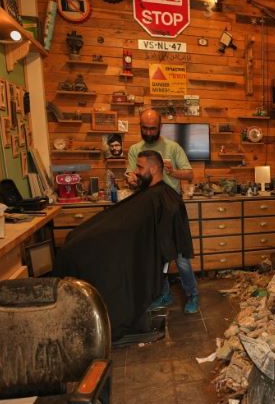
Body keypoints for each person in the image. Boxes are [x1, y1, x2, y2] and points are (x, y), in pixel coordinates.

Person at [55, 150, 194, 341]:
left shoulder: (163, 197)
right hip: (125, 236)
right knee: (78, 238)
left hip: (127, 241)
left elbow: (159, 234)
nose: (136, 171)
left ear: (153, 169)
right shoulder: (151, 193)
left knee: (80, 249)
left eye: (139, 167)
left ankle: (192, 295)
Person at [126, 108, 199, 314]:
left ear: (161, 127)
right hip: (148, 209)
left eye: (152, 128)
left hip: (171, 209)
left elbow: (190, 173)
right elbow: (133, 178)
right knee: (157, 257)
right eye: (144, 128)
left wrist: (172, 171)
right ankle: (164, 294)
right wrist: (131, 180)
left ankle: (193, 295)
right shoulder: (135, 150)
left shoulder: (173, 148)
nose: (148, 132)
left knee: (182, 260)